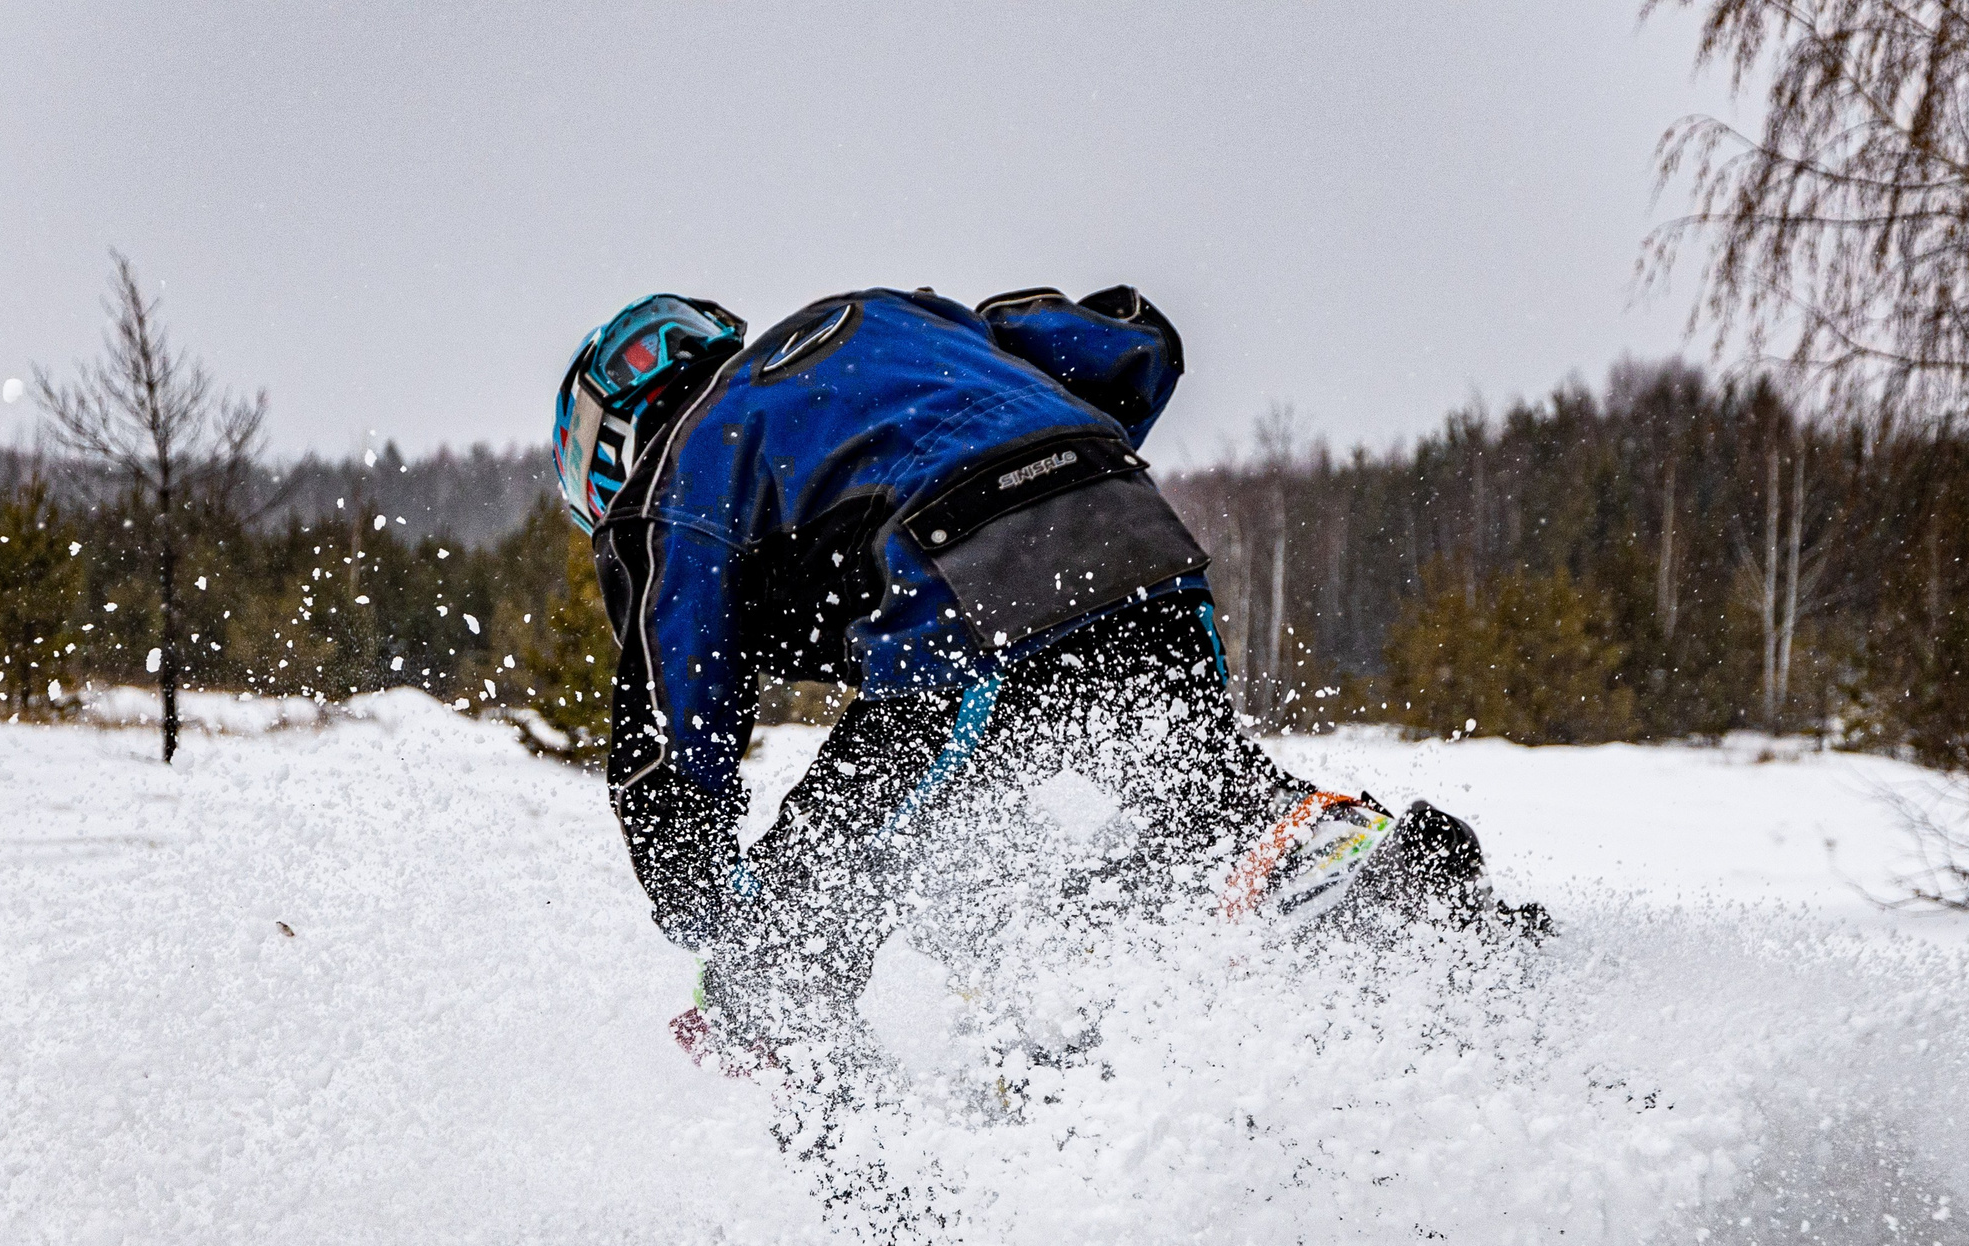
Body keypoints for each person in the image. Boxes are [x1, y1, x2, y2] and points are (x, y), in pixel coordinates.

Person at [553, 286, 1502, 1060]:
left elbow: (673, 751)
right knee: (1203, 800)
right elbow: (1132, 343)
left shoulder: (673, 478)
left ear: (609, 450)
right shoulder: (892, 316)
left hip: (967, 589)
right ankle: (1369, 906)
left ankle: (891, 1230)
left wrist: (721, 927)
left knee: (792, 942)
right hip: (1137, 541)